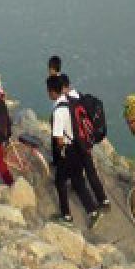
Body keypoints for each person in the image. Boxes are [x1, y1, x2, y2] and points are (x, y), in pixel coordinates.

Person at [47, 75, 100, 227]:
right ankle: (93, 211)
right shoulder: (72, 102)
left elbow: (58, 138)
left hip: (68, 150)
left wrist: (61, 151)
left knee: (60, 181)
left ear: (52, 92)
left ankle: (66, 216)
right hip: (80, 147)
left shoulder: (58, 111)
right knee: (78, 181)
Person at [59, 74, 110, 209]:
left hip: (77, 142)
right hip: (88, 139)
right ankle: (103, 200)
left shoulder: (69, 102)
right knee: (90, 171)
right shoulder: (80, 95)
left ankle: (90, 206)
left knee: (80, 171)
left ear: (63, 87)